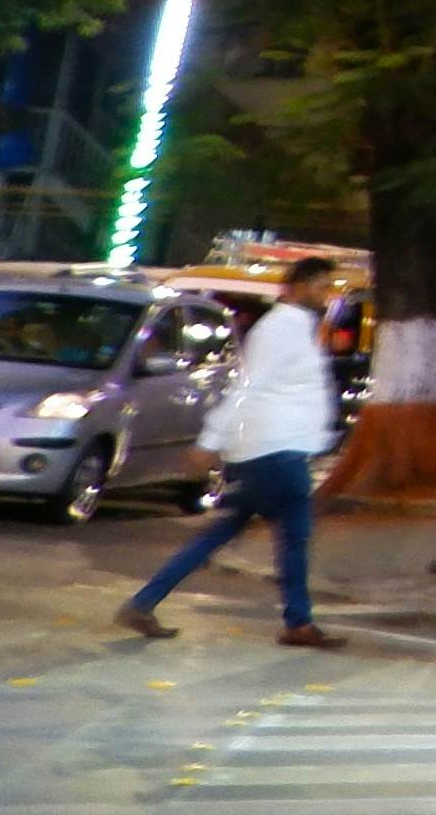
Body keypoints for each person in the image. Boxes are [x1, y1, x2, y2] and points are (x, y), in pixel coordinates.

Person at [119, 253, 344, 646]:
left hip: (272, 449)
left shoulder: (296, 329)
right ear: (297, 287)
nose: (327, 294)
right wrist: (209, 442)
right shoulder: (279, 331)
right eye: (321, 286)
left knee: (227, 532)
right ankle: (298, 622)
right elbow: (247, 389)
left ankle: (144, 602)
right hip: (275, 451)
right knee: (293, 536)